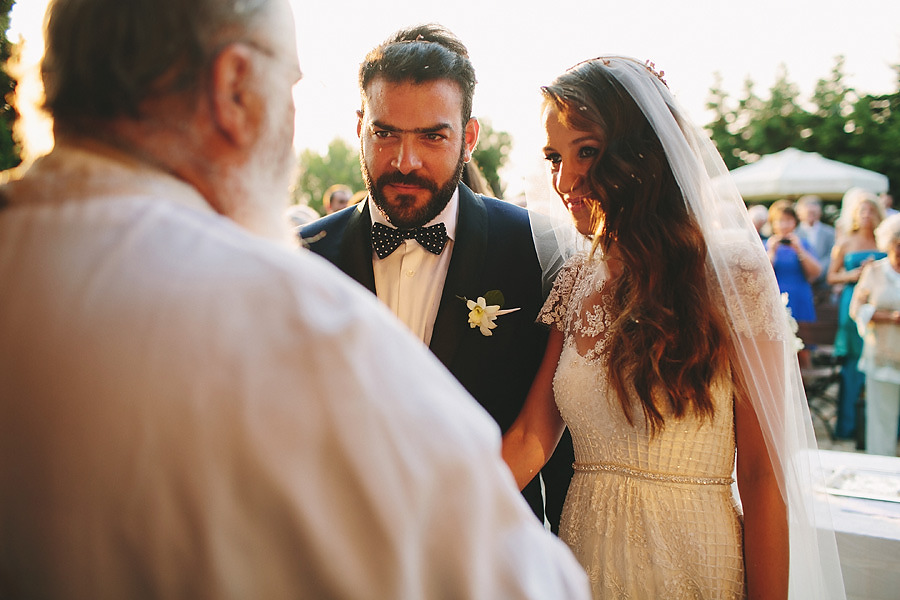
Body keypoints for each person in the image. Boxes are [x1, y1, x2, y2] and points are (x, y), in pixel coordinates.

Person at [0, 2, 591, 598]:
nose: (405, 159)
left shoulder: (532, 247)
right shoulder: (298, 320)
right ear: (234, 86)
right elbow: (525, 584)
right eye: (288, 85)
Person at [501, 57, 845, 599]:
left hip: (692, 559)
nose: (564, 180)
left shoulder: (733, 276)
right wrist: (429, 518)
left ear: (641, 154)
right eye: (554, 158)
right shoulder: (574, 281)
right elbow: (530, 438)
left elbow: (761, 474)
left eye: (585, 151)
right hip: (583, 559)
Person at [299, 23, 574, 533]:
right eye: (385, 134)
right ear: (360, 126)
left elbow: (560, 444)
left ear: (469, 138)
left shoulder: (534, 250)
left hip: (490, 554)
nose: (405, 162)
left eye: (432, 136)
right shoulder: (300, 259)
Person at [827, 193, 886, 439]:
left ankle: (879, 425)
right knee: (853, 361)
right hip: (851, 303)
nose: (866, 215)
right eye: (862, 211)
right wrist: (852, 275)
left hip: (879, 301)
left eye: (871, 210)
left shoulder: (885, 240)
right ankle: (849, 426)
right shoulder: (845, 242)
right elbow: (831, 276)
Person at [849, 213, 900, 455]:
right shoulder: (874, 272)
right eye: (896, 244)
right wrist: (888, 317)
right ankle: (881, 468)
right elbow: (856, 309)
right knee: (881, 418)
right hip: (882, 353)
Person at [766, 199, 822, 324]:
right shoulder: (766, 246)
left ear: (795, 223)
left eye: (788, 220)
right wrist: (772, 252)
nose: (784, 225)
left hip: (800, 296)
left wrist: (799, 250)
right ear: (773, 223)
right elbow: (762, 274)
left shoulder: (803, 244)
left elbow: (816, 273)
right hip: (776, 297)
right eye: (780, 221)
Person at [796, 194, 835, 294]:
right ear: (799, 213)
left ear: (820, 212)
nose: (811, 214)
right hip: (801, 282)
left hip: (824, 285)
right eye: (808, 212)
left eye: (814, 212)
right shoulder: (794, 234)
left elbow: (832, 255)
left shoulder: (830, 233)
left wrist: (818, 270)